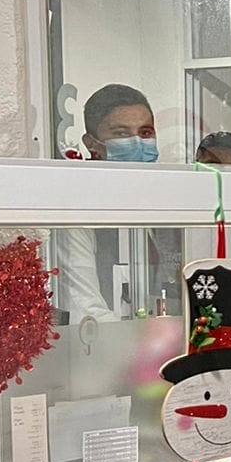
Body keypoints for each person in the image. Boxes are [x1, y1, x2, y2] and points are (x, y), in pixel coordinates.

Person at [59, 85, 180, 323]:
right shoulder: (78, 211)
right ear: (91, 143)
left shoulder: (168, 203)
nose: (137, 142)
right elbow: (85, 309)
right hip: (104, 340)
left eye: (145, 132)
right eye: (122, 133)